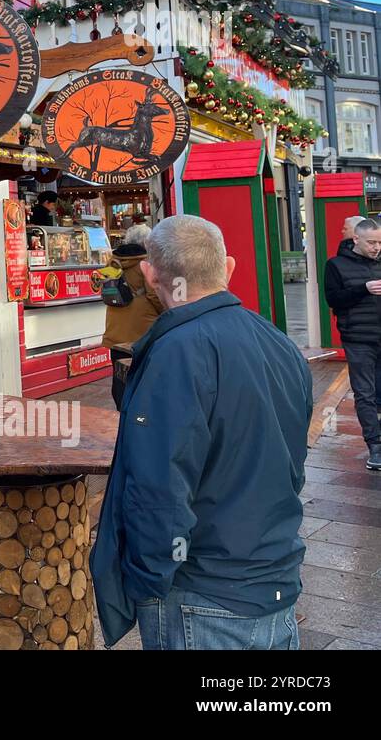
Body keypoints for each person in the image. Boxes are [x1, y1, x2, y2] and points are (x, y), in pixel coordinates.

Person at [91, 215, 313, 650]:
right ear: (228, 267)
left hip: (203, 592)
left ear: (151, 274)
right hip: (274, 577)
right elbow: (291, 461)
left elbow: (159, 486)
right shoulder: (278, 342)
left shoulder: (176, 352)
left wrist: (150, 577)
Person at [324, 218, 381, 470]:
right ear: (355, 239)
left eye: (379, 242)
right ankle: (375, 446)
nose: (376, 247)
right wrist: (364, 289)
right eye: (371, 242)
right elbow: (333, 299)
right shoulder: (335, 265)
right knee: (365, 393)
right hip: (358, 339)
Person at [98, 223, 164, 409]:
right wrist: (167, 313)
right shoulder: (146, 264)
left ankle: (121, 409)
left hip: (116, 329)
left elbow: (103, 292)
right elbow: (154, 295)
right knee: (142, 376)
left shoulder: (112, 261)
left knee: (120, 374)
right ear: (146, 241)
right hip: (143, 329)